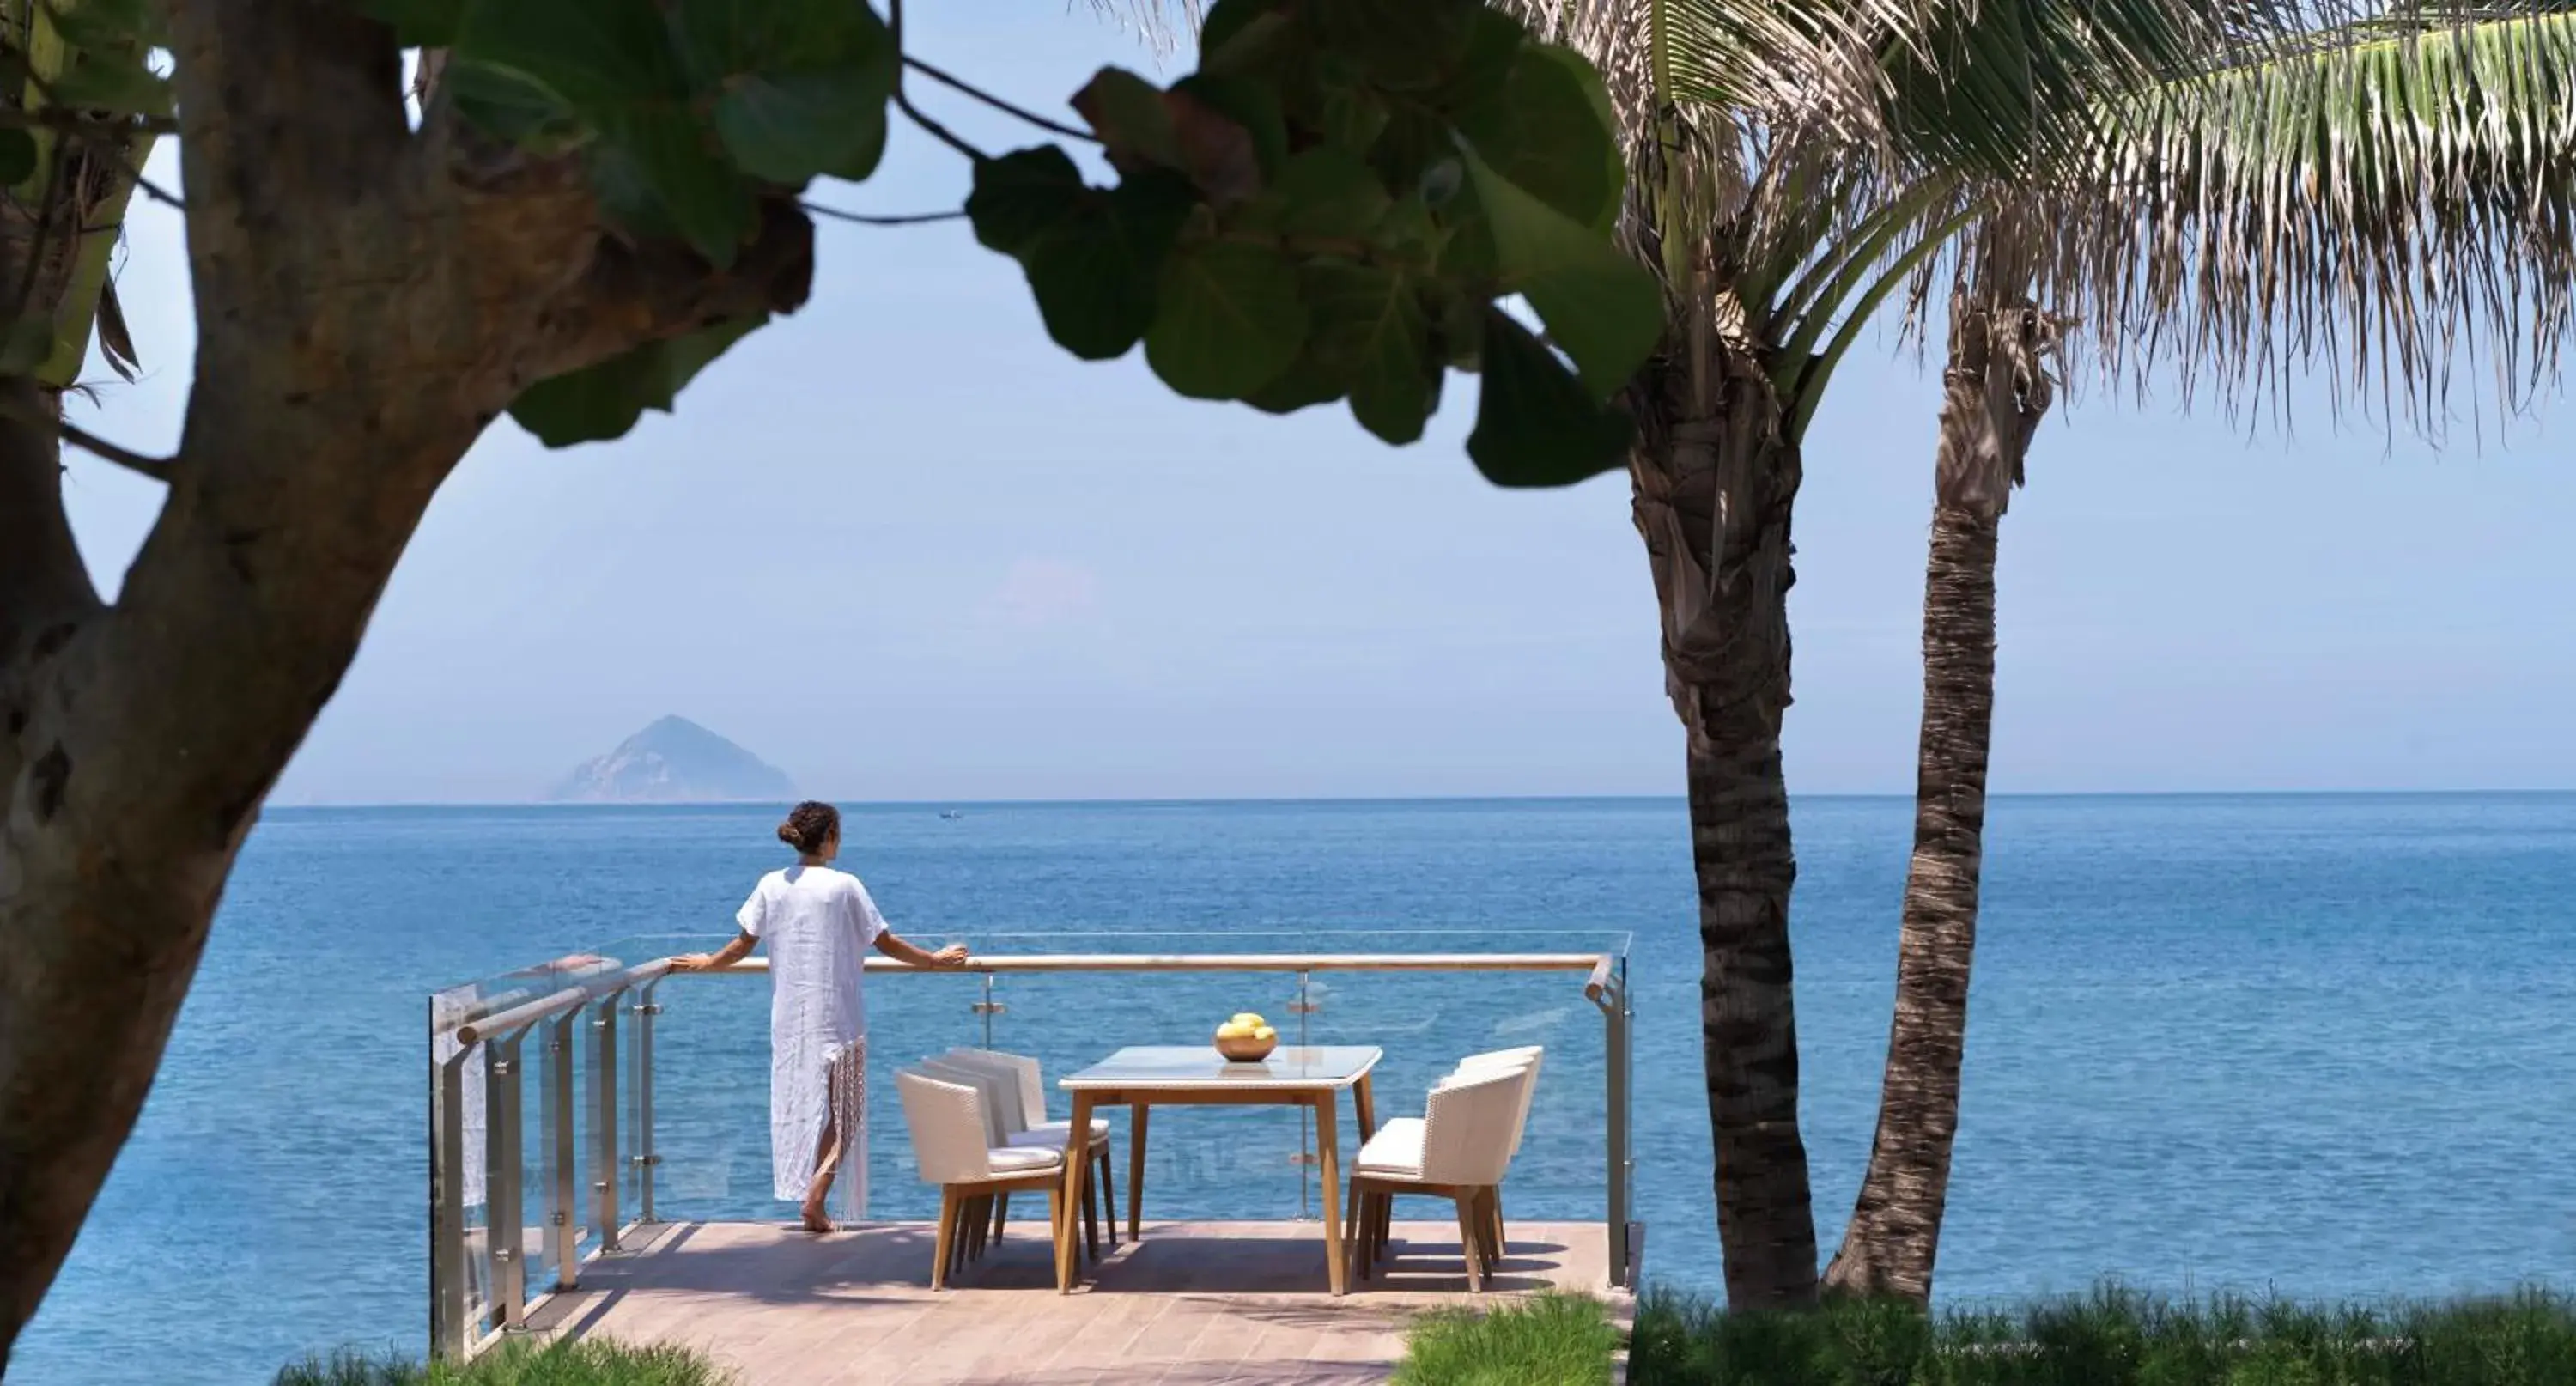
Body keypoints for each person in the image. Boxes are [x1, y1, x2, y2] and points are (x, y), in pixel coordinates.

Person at [671, 800, 969, 1233]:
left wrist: (709, 963)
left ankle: (812, 1197)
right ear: (830, 838)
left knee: (803, 1105)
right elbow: (883, 941)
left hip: (791, 1017)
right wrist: (934, 961)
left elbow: (741, 945)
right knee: (845, 1113)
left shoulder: (773, 884)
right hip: (839, 1017)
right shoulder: (844, 885)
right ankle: (815, 1197)